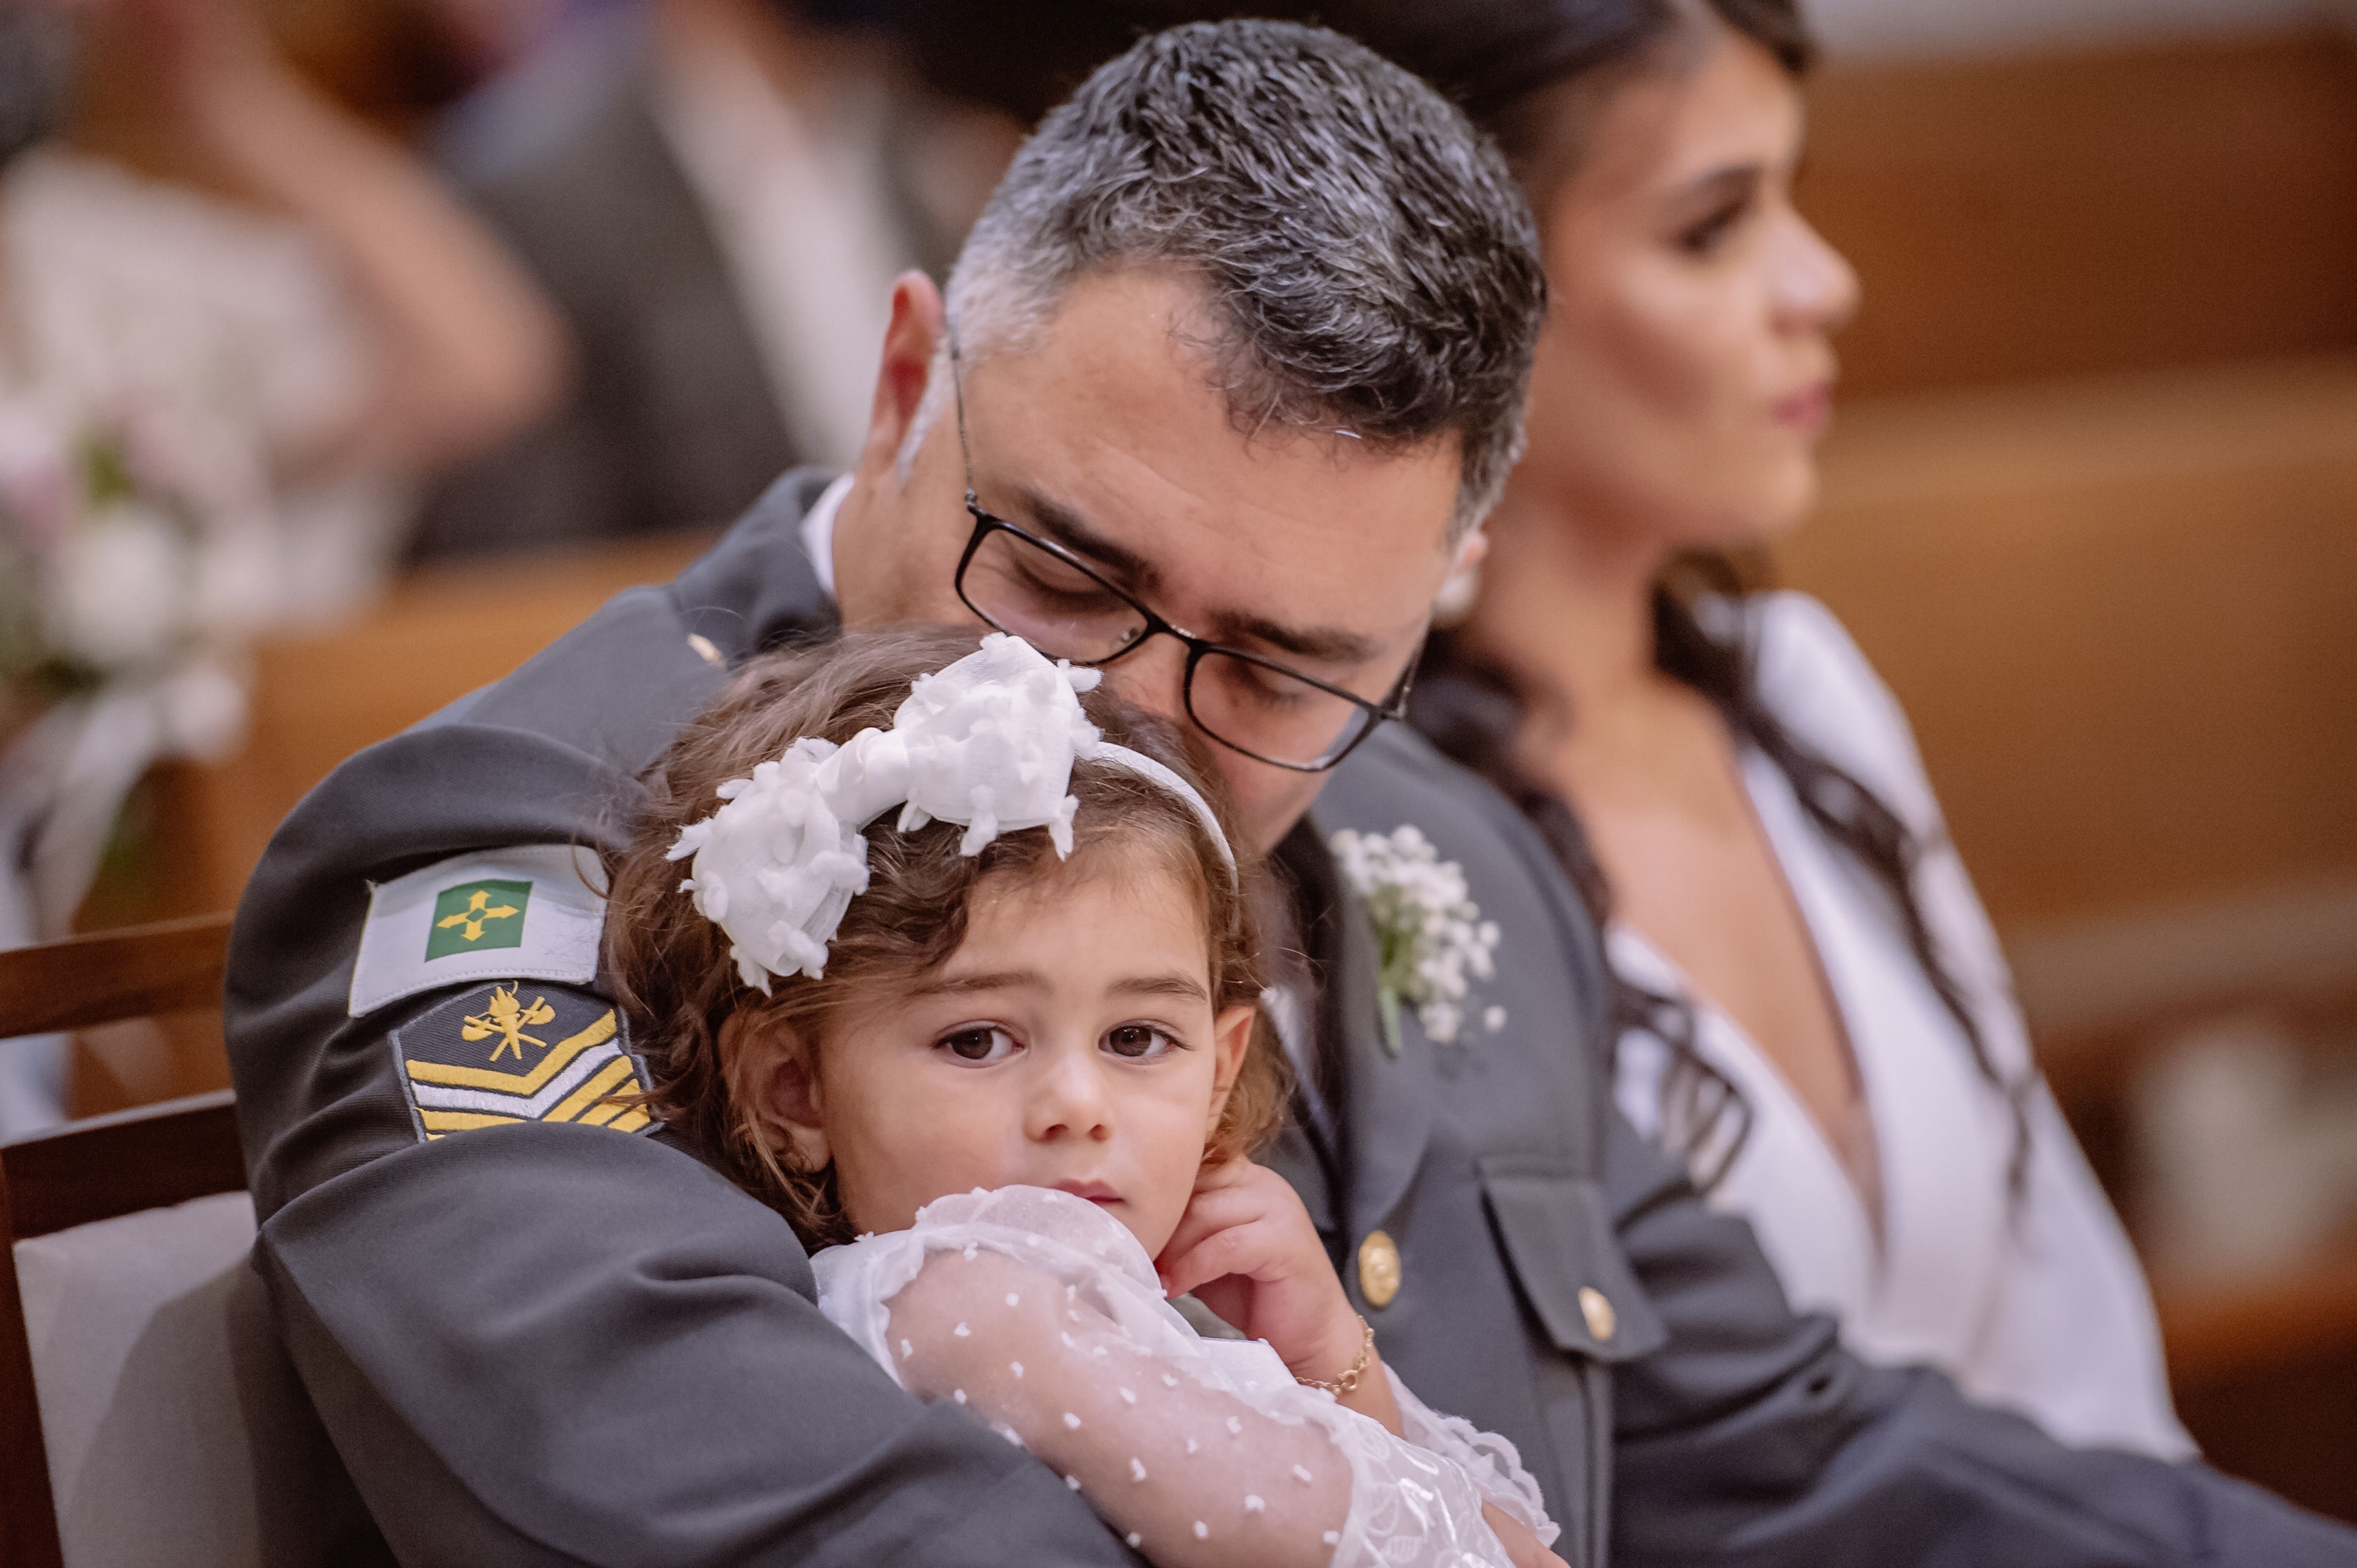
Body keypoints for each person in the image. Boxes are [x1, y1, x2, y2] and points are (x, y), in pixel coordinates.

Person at [223, 20, 2357, 1565]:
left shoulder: (1439, 845)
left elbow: (1789, 1459)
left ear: (1444, 595)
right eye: (1063, 572)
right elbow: (731, 1483)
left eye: (1279, 665)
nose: (1137, 722)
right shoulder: (520, 856)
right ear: (904, 383)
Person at [1345, 0, 2188, 1457]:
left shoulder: (1797, 684)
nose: (1825, 284)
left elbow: (2060, 1302)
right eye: (1713, 228)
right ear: (1467, 291)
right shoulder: (1374, 825)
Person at [602, 624, 1564, 1567]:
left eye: (1136, 1039)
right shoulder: (961, 1296)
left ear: (1221, 1067)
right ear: (795, 1091)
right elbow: (1321, 1538)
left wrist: (1326, 1351)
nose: (1078, 1104)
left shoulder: (1139, 1314)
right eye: (977, 1041)